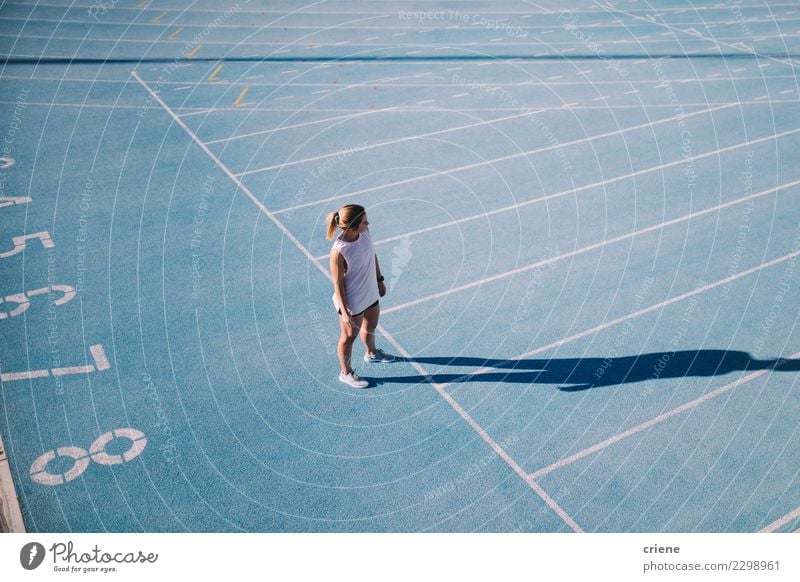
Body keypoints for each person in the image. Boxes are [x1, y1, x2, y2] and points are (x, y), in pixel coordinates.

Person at [326, 204, 395, 388]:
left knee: (371, 324)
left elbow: (372, 255)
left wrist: (379, 279)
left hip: (370, 289)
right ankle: (345, 372)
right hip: (352, 301)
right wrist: (344, 310)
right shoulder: (338, 252)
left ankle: (371, 353)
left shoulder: (364, 233)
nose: (368, 223)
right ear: (353, 227)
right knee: (348, 338)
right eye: (365, 221)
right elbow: (338, 283)